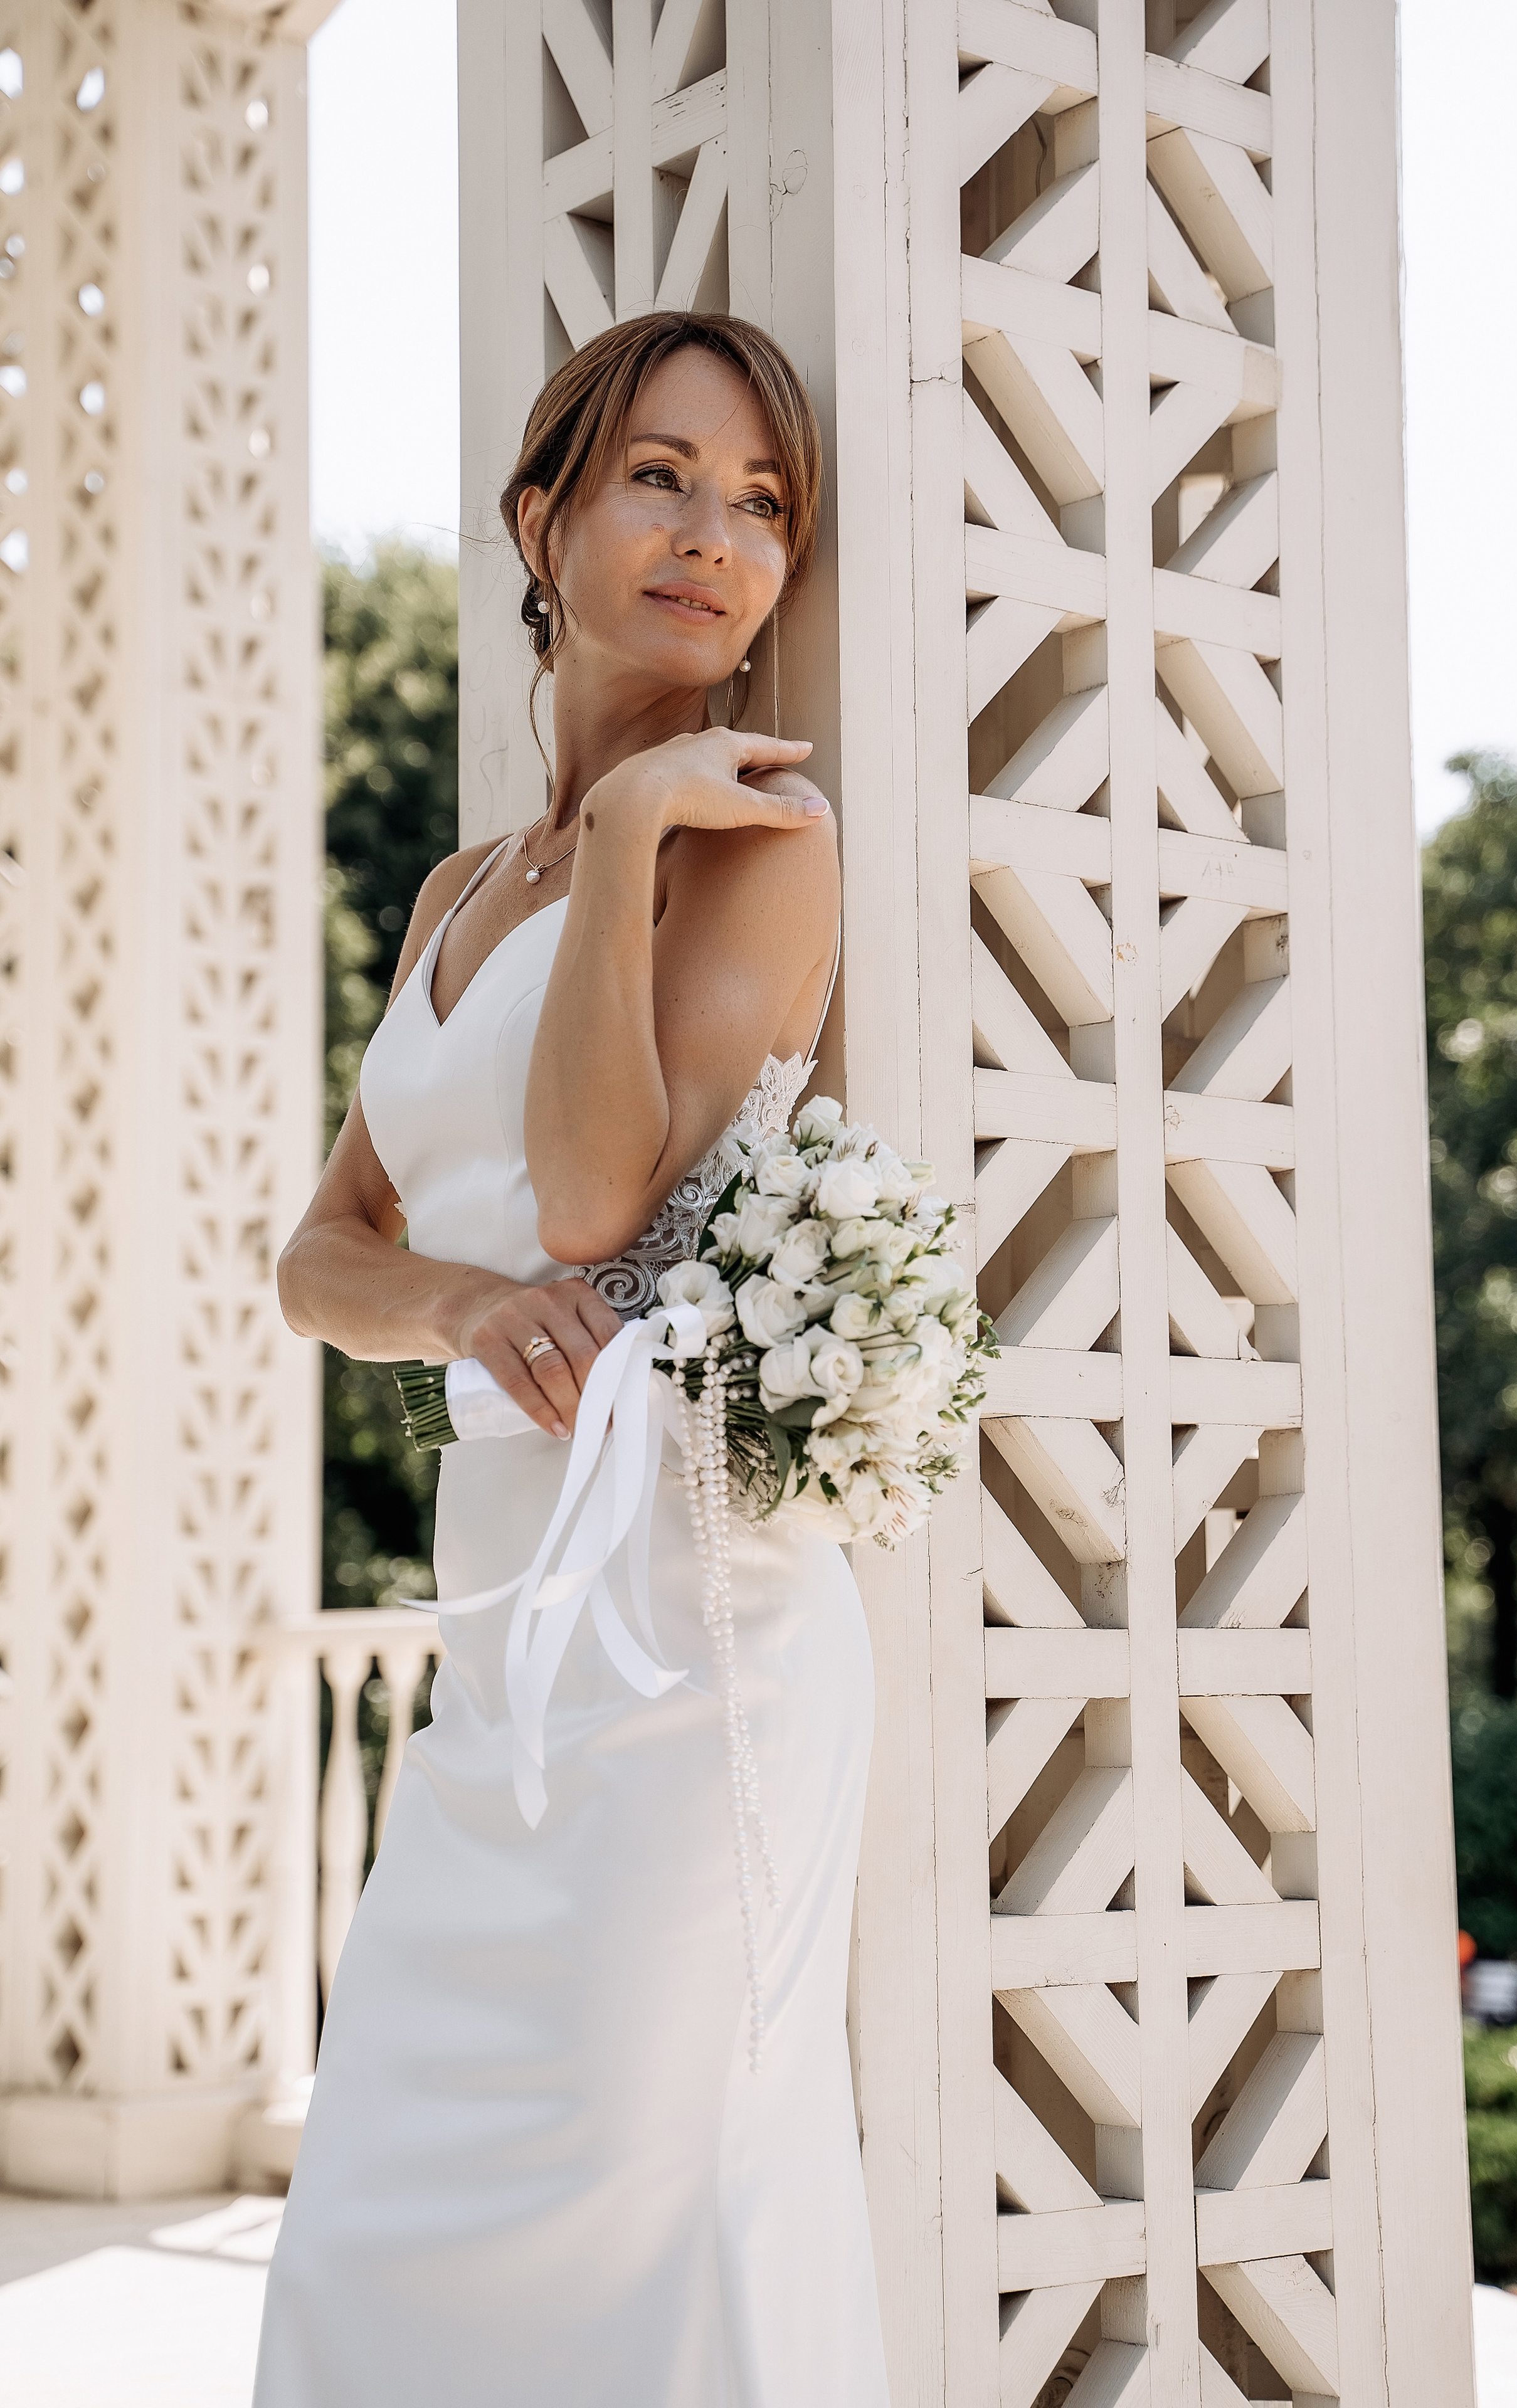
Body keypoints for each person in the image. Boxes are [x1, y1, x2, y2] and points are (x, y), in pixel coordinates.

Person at [252, 314, 889, 2408]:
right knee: (380, 2214)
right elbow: (322, 1256)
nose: (717, 536)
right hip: (497, 1651)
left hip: (692, 1648)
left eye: (764, 504)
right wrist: (450, 1308)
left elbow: (596, 1197)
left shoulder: (760, 840)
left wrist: (625, 840)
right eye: (660, 479)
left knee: (654, 2223)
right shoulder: (455, 889)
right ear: (541, 522)